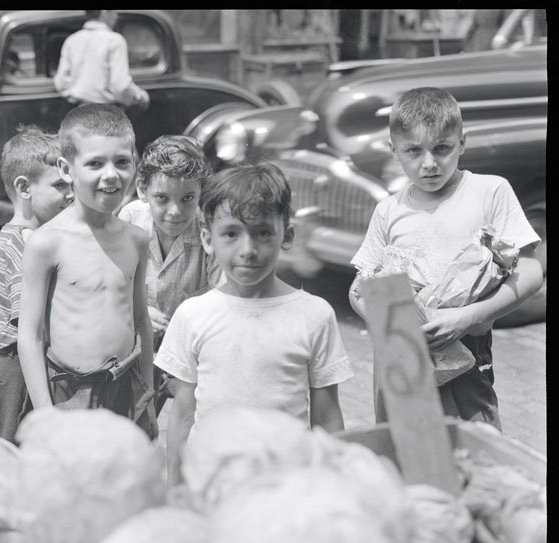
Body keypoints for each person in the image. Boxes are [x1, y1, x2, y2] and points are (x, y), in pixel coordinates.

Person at [347, 87, 542, 430]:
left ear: (462, 142)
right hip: (401, 353)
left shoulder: (489, 191)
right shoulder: (388, 211)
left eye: (442, 148)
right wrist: (390, 326)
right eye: (413, 151)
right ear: (394, 151)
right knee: (406, 451)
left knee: (476, 444)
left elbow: (529, 271)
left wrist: (467, 317)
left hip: (467, 346)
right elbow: (358, 288)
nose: (429, 164)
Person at [155, 163, 354, 484]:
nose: (247, 250)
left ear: (286, 236)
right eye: (231, 234)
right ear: (207, 239)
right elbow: (182, 413)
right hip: (211, 483)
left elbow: (327, 417)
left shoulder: (314, 315)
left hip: (287, 484)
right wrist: (176, 488)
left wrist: (330, 485)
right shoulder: (192, 315)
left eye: (262, 233)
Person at [17, 103, 158, 438]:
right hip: (69, 393)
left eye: (122, 162)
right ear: (67, 169)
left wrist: (148, 395)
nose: (111, 174)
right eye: (95, 163)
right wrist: (46, 415)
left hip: (125, 388)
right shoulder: (47, 243)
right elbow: (30, 335)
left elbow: (141, 321)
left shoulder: (136, 240)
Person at [0, 125, 72, 443]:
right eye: (60, 185)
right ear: (24, 188)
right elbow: (30, 324)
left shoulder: (18, 234)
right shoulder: (27, 243)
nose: (71, 193)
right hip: (2, 375)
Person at [117, 134, 222, 412]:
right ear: (142, 189)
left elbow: (222, 297)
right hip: (137, 344)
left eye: (188, 198)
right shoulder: (130, 218)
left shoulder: (209, 232)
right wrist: (137, 308)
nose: (175, 211)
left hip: (192, 351)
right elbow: (114, 281)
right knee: (134, 419)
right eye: (162, 198)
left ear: (202, 194)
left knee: (192, 424)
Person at [53, 10, 150, 110]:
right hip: (107, 113)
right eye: (113, 11)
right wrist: (139, 96)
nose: (116, 16)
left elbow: (61, 83)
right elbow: (120, 86)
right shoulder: (115, 40)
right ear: (104, 12)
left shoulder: (72, 40)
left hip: (80, 112)